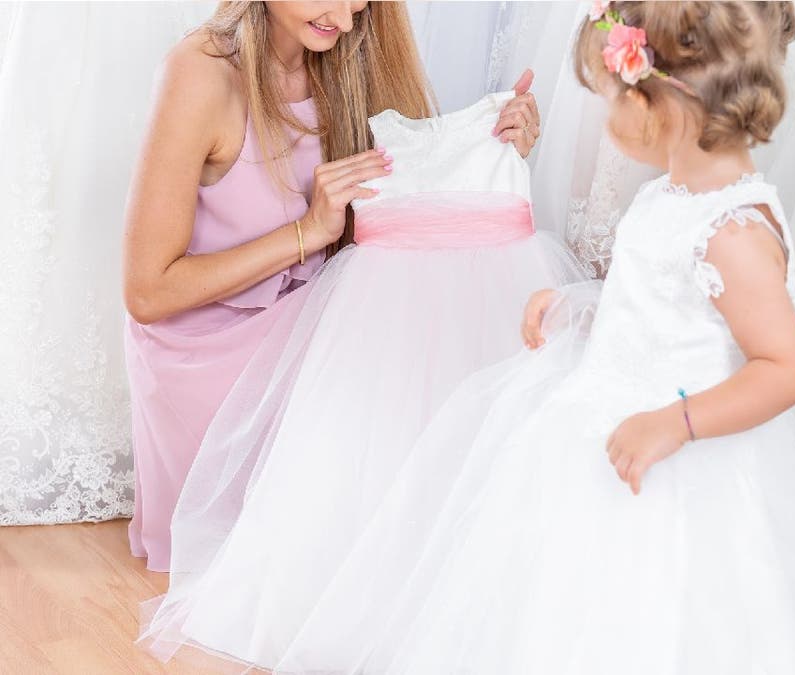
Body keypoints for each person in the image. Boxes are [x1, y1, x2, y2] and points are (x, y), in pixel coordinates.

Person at [142, 3, 795, 672]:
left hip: (690, 453)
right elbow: (657, 306)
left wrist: (676, 421)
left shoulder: (732, 230)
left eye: (612, 98)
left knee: (694, 605)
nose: (602, 117)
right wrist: (580, 308)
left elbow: (785, 366)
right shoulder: (667, 202)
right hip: (619, 427)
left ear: (665, 105)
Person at [121, 0, 541, 571]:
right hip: (205, 350)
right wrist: (307, 232)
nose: (346, 19)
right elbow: (148, 292)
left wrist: (492, 145)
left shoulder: (344, 51)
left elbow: (400, 203)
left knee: (441, 355)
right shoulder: (200, 73)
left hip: (310, 317)